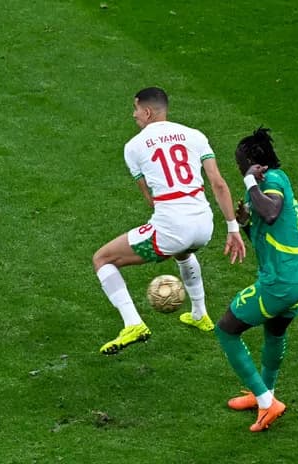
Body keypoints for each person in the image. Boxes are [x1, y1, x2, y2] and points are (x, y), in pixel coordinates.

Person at [93, 87, 246, 355]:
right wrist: (233, 227)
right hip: (204, 225)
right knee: (184, 251)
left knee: (102, 259)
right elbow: (219, 184)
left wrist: (164, 231)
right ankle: (199, 314)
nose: (134, 115)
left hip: (172, 227)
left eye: (136, 109)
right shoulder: (195, 135)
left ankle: (133, 324)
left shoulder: (133, 147)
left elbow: (151, 198)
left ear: (148, 111)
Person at [215, 128, 298, 432]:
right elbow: (266, 230)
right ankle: (265, 395)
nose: (239, 169)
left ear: (255, 164)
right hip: (297, 275)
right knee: (274, 331)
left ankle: (267, 403)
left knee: (227, 329)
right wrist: (245, 223)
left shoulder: (271, 182)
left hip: (281, 280)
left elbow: (270, 213)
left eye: (241, 164)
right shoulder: (264, 186)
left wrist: (249, 183)